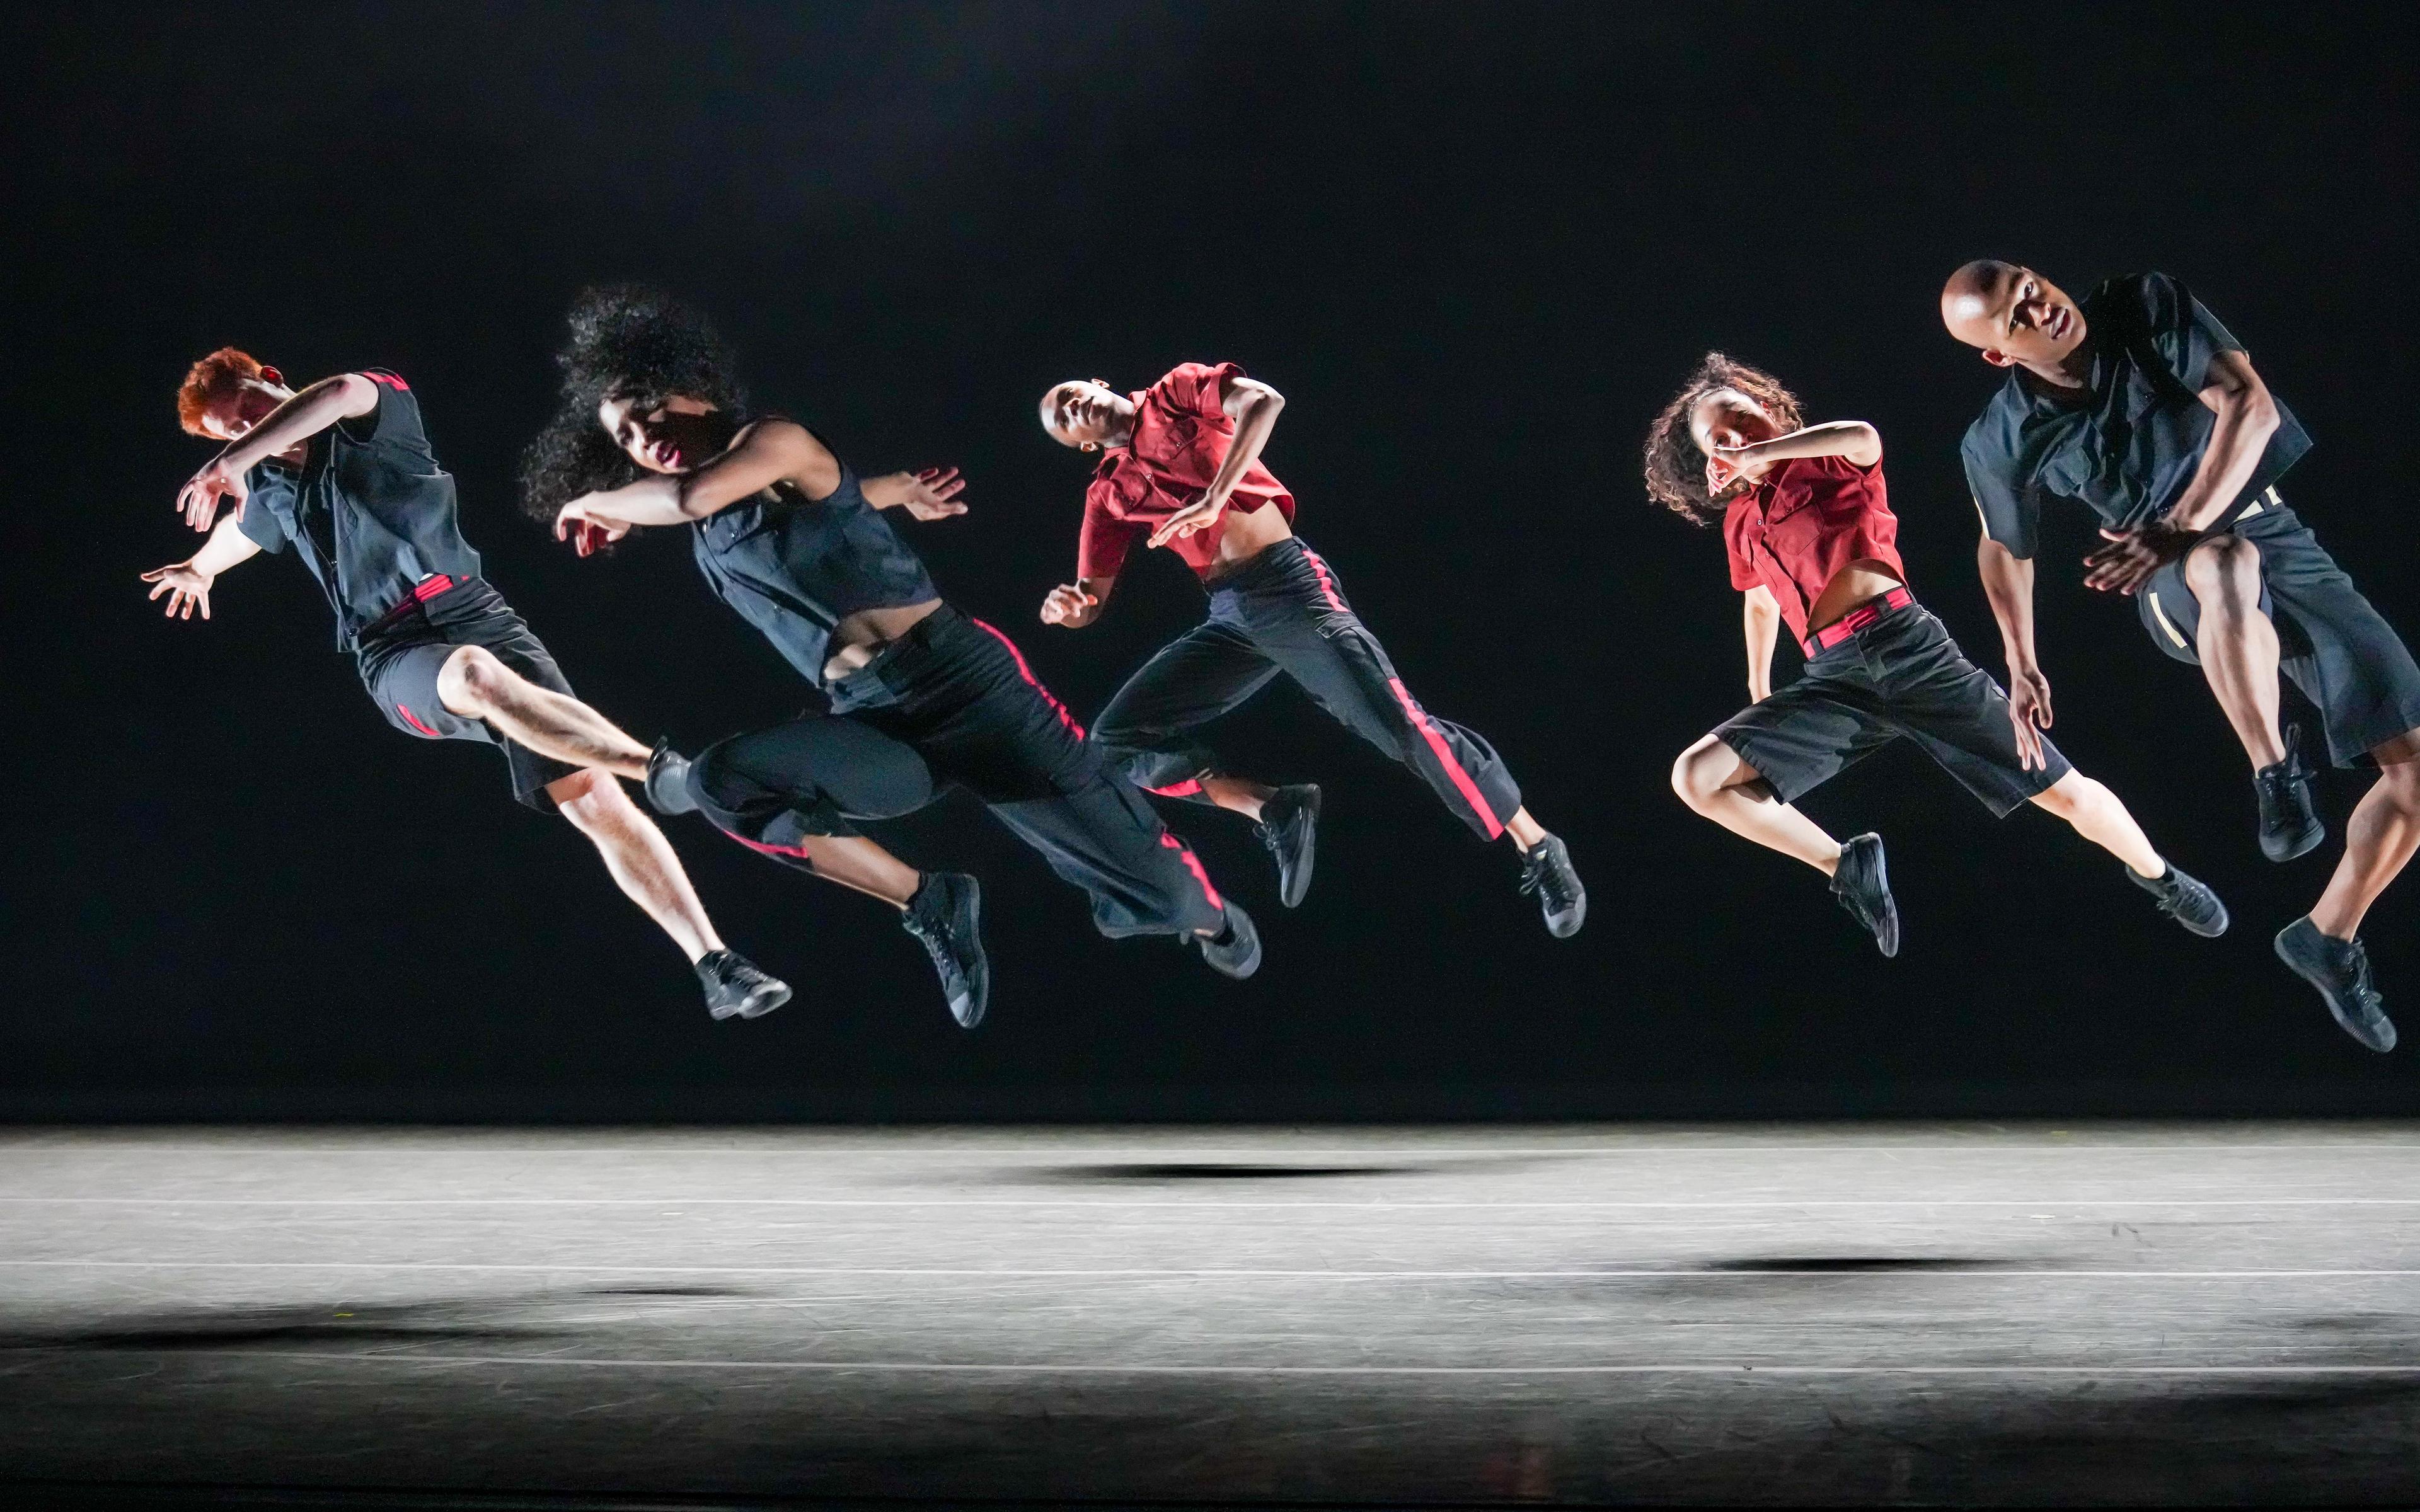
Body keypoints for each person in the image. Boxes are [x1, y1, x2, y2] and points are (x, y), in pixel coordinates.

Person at [521, 288, 1256, 1030]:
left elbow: (702, 495)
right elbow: (817, 511)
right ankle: (929, 900)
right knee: (724, 784)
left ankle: (1213, 921)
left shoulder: (776, 441)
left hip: (967, 688)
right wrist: (897, 491)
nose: (644, 435)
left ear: (691, 390)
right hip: (878, 722)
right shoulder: (717, 523)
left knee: (1153, 878)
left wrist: (598, 504)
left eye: (648, 408)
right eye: (625, 440)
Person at [146, 349, 788, 1020]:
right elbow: (239, 532)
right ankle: (666, 772)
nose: (247, 431)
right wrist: (199, 569)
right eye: (229, 432)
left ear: (273, 380)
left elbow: (337, 390)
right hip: (394, 655)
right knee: (478, 676)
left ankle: (718, 966)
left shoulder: (375, 413)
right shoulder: (273, 489)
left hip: (478, 614)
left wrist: (231, 459)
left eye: (250, 407)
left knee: (593, 799)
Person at [1944, 261, 2420, 1052]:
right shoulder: (2000, 435)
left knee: (2414, 770)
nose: (2040, 306)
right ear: (1998, 353)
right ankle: (2277, 775)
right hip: (2166, 576)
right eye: (2014, 316)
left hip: (2274, 537)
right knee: (2222, 561)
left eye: (2032, 286)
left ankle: (2327, 938)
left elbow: (2251, 407)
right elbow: (2004, 549)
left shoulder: (2142, 306)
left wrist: (2185, 517)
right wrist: (2020, 660)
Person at [1646, 353, 2227, 956]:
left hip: (1908, 649)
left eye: (1743, 418)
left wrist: (1761, 455)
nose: (1738, 437)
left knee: (2066, 793)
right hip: (1836, 678)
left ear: (1767, 411)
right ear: (1711, 457)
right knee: (1697, 777)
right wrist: (1759, 689)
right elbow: (1762, 603)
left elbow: (1863, 437)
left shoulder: (1820, 456)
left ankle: (2161, 876)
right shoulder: (1741, 522)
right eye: (1722, 438)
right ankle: (1846, 867)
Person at [1035, 364, 1585, 936]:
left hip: (1289, 589)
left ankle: (1538, 845)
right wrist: (1073, 611)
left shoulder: (1176, 394)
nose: (1074, 409)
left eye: (1072, 396)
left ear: (1096, 385)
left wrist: (1213, 498)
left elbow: (1264, 401)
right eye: (1064, 419)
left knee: (1401, 727)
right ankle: (1275, 809)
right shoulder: (1108, 494)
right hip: (1232, 614)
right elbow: (1090, 593)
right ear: (1085, 443)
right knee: (1115, 741)